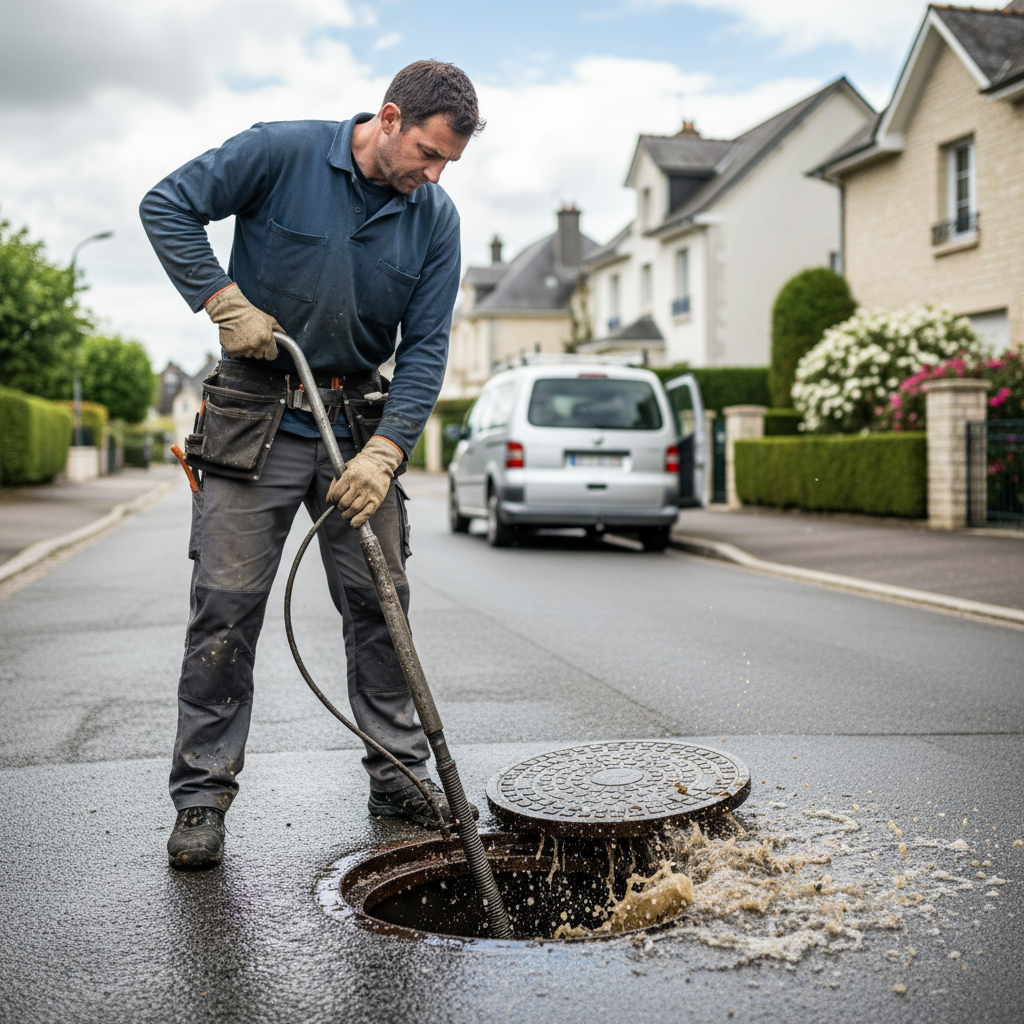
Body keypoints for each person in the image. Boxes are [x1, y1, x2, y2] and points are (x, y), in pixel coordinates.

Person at [140, 60, 484, 869]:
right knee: (226, 606)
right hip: (253, 413)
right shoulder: (280, 152)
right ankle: (201, 796)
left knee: (380, 605)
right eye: (428, 154)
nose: (435, 175)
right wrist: (221, 299)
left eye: (449, 163)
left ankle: (399, 777)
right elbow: (166, 205)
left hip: (357, 422)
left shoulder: (434, 218)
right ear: (390, 118)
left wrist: (386, 451)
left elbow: (425, 349)